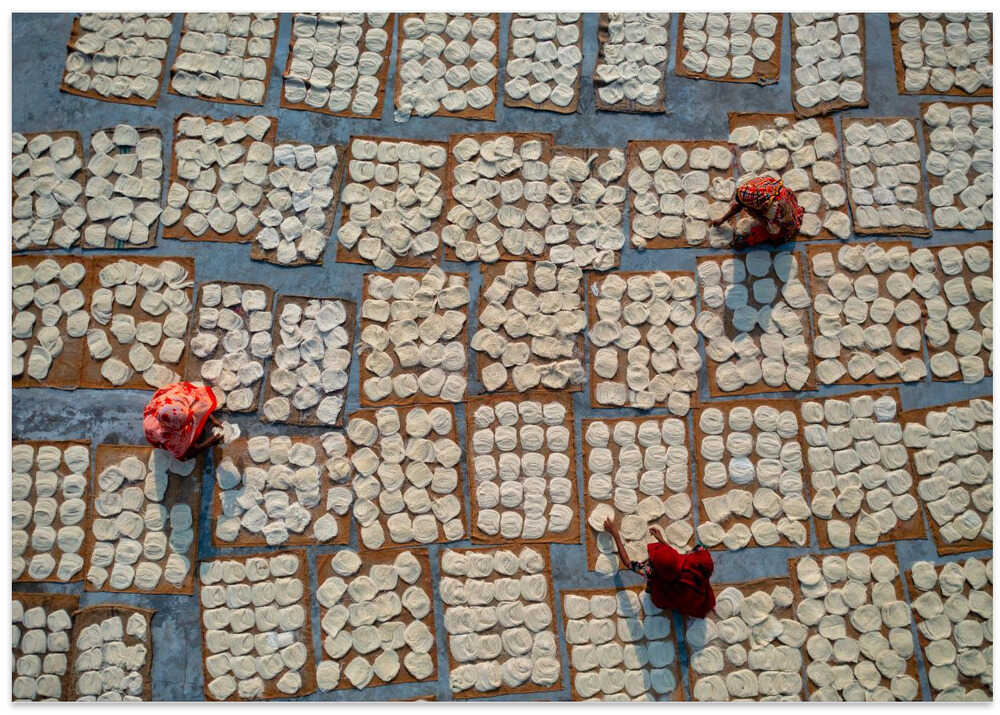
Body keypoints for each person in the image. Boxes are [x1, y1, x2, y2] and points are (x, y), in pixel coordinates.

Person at [604, 517, 716, 619]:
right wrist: (662, 541)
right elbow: (675, 561)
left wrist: (615, 535)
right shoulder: (694, 562)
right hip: (698, 598)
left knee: (656, 592)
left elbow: (628, 563)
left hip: (677, 598)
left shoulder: (652, 573)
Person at [710, 176, 804, 250]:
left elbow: (773, 230)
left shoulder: (774, 211)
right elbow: (740, 204)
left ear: (756, 206)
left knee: (770, 235)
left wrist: (747, 242)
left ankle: (748, 242)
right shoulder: (755, 188)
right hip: (780, 199)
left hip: (785, 220)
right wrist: (722, 219)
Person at [143, 382, 223, 461]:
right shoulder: (166, 435)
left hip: (173, 414)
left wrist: (212, 419)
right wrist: (208, 444)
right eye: (185, 423)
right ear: (176, 428)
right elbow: (187, 455)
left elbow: (198, 403)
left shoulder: (175, 398)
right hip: (161, 433)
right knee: (186, 447)